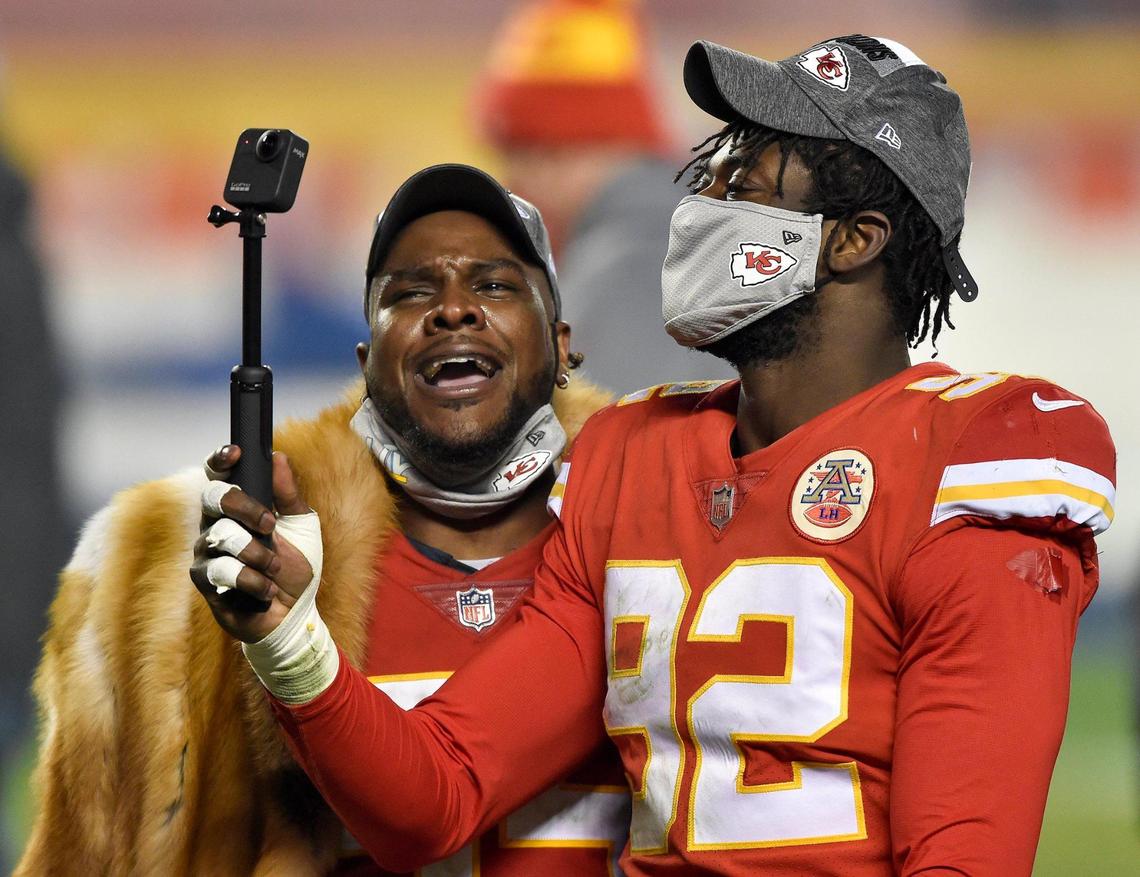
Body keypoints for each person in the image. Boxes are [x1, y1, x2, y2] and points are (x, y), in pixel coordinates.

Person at [199, 36, 1116, 876]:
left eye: (745, 183)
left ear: (854, 239)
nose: (699, 207)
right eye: (711, 174)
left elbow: (963, 861)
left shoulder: (969, 457)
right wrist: (288, 634)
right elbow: (435, 794)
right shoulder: (635, 457)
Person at [17, 165, 626, 876]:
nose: (453, 308)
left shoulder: (659, 539)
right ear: (366, 360)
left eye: (493, 285)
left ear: (563, 344)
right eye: (411, 292)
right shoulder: (186, 570)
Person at [473, 0, 734, 392]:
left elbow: (613, 444)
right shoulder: (701, 231)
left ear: (559, 147)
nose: (514, 181)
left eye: (521, 152)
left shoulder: (627, 267)